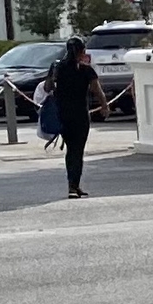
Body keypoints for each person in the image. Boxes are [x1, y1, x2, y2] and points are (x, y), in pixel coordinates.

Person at [50, 37, 108, 199]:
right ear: (82, 51)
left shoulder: (58, 68)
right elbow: (97, 90)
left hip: (62, 114)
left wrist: (51, 75)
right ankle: (74, 186)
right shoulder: (86, 70)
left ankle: (72, 184)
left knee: (70, 150)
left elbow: (48, 87)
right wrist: (104, 106)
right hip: (80, 114)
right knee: (77, 150)